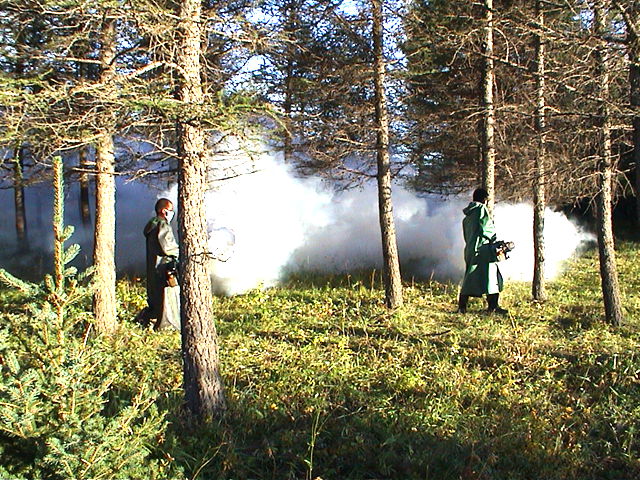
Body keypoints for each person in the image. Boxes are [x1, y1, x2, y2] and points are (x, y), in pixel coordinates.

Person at [458, 188, 508, 314]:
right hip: (482, 250)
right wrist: (496, 241)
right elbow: (487, 228)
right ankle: (493, 307)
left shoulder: (468, 216)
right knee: (492, 278)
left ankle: (462, 307)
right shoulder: (480, 209)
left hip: (470, 250)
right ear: (484, 200)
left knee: (469, 278)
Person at [143, 198, 180, 330]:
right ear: (164, 211)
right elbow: (167, 247)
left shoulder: (152, 224)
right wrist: (182, 252)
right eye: (170, 210)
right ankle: (166, 325)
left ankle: (152, 320)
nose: (172, 213)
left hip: (154, 267)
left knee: (156, 297)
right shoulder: (163, 225)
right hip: (164, 267)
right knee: (167, 297)